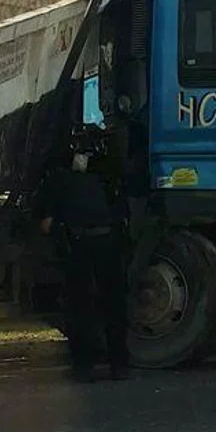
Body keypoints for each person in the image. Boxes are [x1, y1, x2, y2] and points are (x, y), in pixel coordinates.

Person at [32, 88, 130, 383]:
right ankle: (118, 364)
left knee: (80, 307)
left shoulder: (57, 178)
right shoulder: (108, 173)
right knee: (114, 304)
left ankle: (84, 365)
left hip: (78, 244)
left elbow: (45, 223)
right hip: (107, 242)